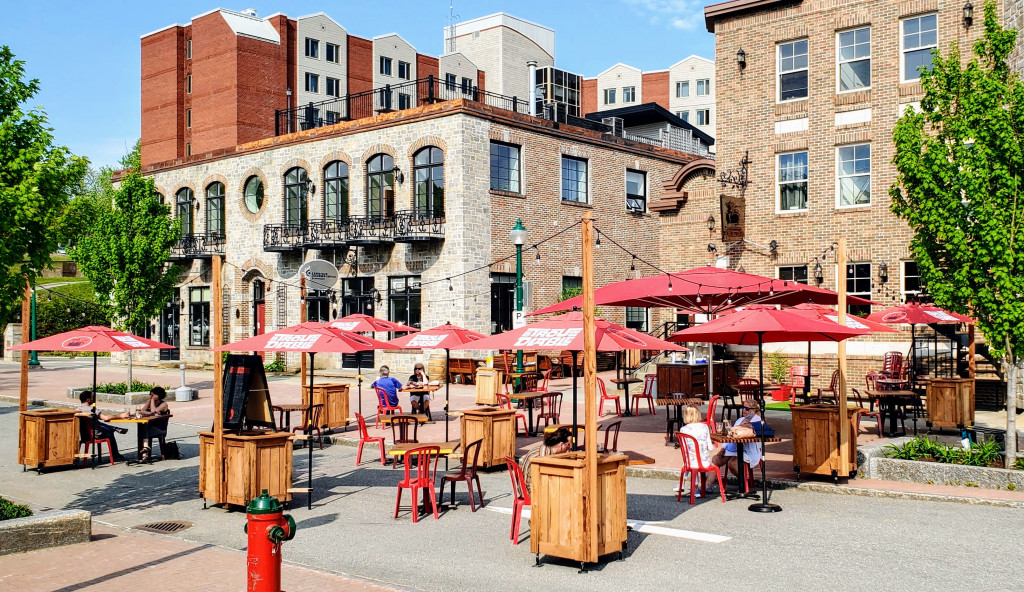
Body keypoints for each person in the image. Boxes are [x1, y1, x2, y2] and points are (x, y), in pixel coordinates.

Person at [711, 399, 763, 484]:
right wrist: (723, 448)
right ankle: (707, 487)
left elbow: (748, 433)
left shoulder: (757, 421)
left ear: (753, 410)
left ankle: (744, 484)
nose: (743, 410)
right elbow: (731, 435)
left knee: (732, 464)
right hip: (734, 448)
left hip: (748, 451)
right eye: (743, 407)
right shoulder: (740, 419)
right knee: (715, 459)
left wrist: (747, 420)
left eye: (746, 408)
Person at [518, 427, 572, 493]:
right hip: (530, 491)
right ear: (561, 445)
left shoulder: (548, 448)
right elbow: (545, 479)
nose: (570, 447)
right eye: (569, 444)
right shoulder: (544, 456)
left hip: (530, 486)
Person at [78, 391, 128, 462]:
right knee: (110, 432)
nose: (94, 399)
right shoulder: (92, 409)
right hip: (96, 434)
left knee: (97, 422)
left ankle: (114, 428)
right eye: (92, 397)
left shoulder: (78, 409)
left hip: (85, 435)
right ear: (88, 400)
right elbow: (105, 418)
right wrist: (120, 416)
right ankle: (115, 454)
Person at [677, 405, 714, 496]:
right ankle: (695, 489)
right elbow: (710, 447)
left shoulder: (683, 429)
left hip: (691, 462)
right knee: (695, 462)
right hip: (704, 461)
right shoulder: (705, 427)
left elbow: (685, 449)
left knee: (690, 460)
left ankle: (684, 484)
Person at [136, 387, 171, 462]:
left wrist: (152, 401)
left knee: (143, 429)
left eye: (153, 395)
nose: (151, 397)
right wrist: (149, 412)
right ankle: (145, 450)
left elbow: (153, 411)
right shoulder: (150, 401)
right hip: (150, 426)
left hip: (159, 427)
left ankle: (144, 452)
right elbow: (141, 411)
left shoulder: (163, 404)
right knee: (142, 427)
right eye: (150, 395)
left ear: (158, 395)